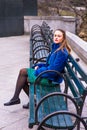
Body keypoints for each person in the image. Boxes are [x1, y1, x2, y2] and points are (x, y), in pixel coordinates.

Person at [4, 29, 71, 109]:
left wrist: (38, 71)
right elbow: (48, 64)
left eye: (59, 36)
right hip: (48, 74)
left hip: (51, 79)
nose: (56, 37)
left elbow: (54, 71)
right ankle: (21, 99)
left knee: (23, 74)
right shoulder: (56, 48)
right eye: (55, 35)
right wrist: (39, 66)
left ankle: (18, 98)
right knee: (23, 75)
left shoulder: (61, 52)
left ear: (63, 39)